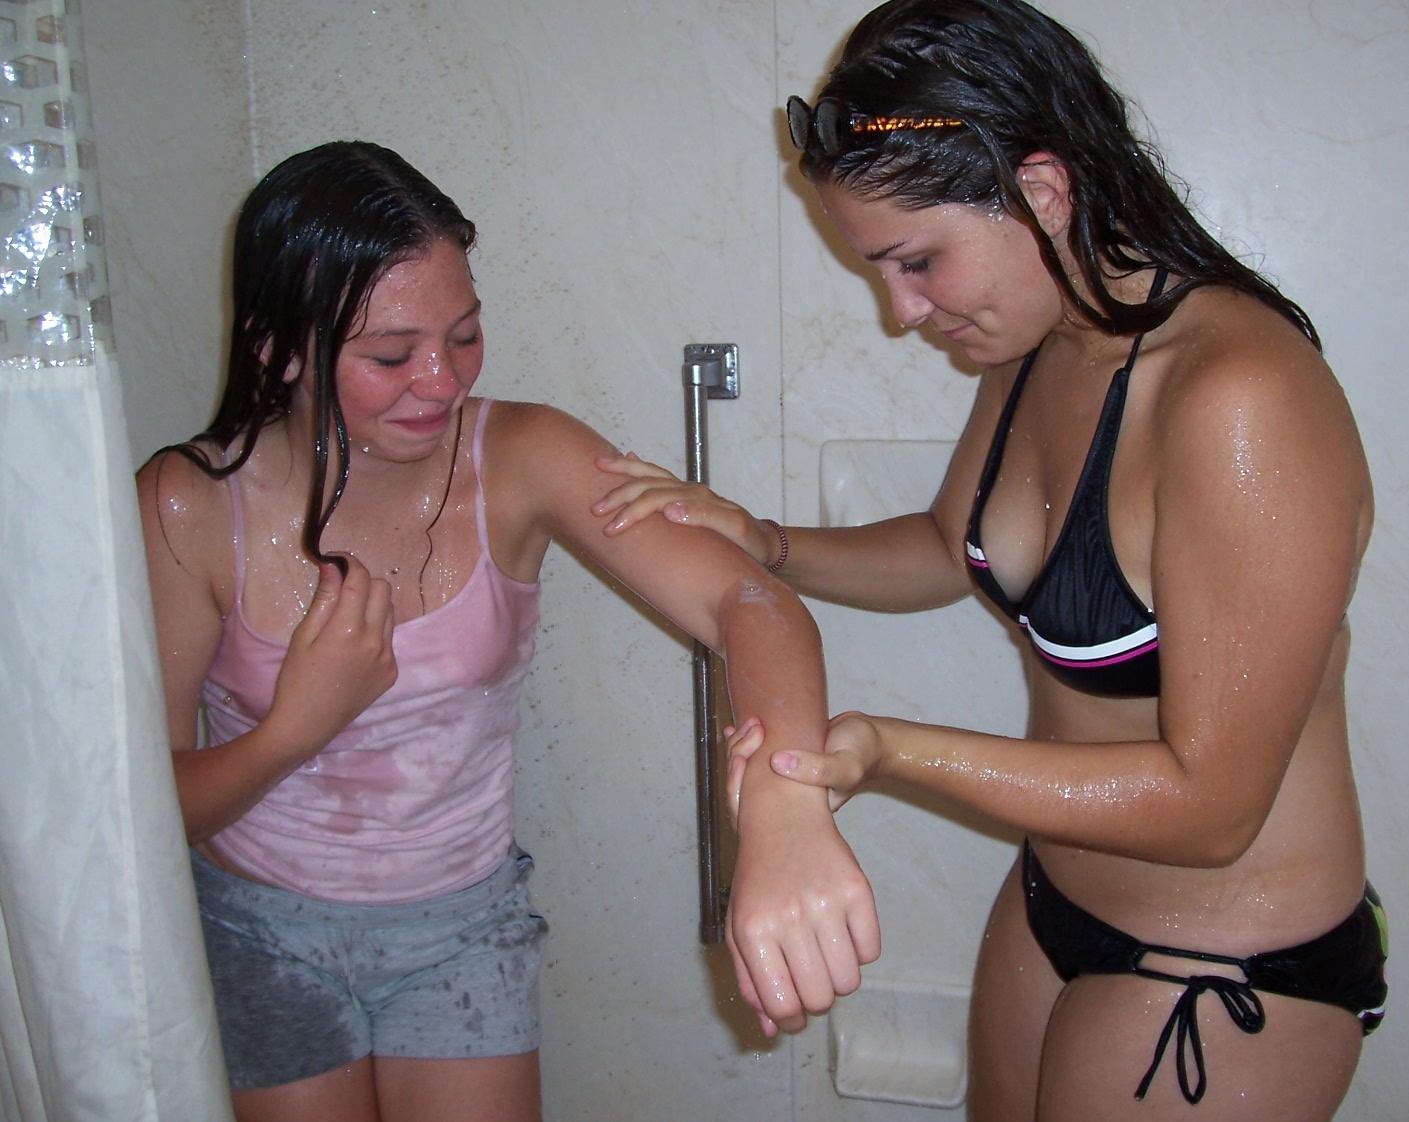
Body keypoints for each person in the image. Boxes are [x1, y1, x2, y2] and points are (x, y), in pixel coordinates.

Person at [591, 2, 1387, 1117]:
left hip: (1226, 961)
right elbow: (946, 546)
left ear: (1042, 193)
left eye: (917, 262)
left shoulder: (1237, 397)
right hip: (1053, 902)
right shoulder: (1036, 342)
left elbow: (1213, 808)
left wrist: (885, 748)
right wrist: (763, 540)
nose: (900, 312)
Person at [136, 140, 878, 1122]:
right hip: (259, 934)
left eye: (465, 336)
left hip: (463, 930)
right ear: (277, 348)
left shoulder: (522, 455)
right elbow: (142, 807)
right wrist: (292, 731)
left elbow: (752, 604)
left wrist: (784, 809)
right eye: (390, 356)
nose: (441, 381)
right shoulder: (187, 505)